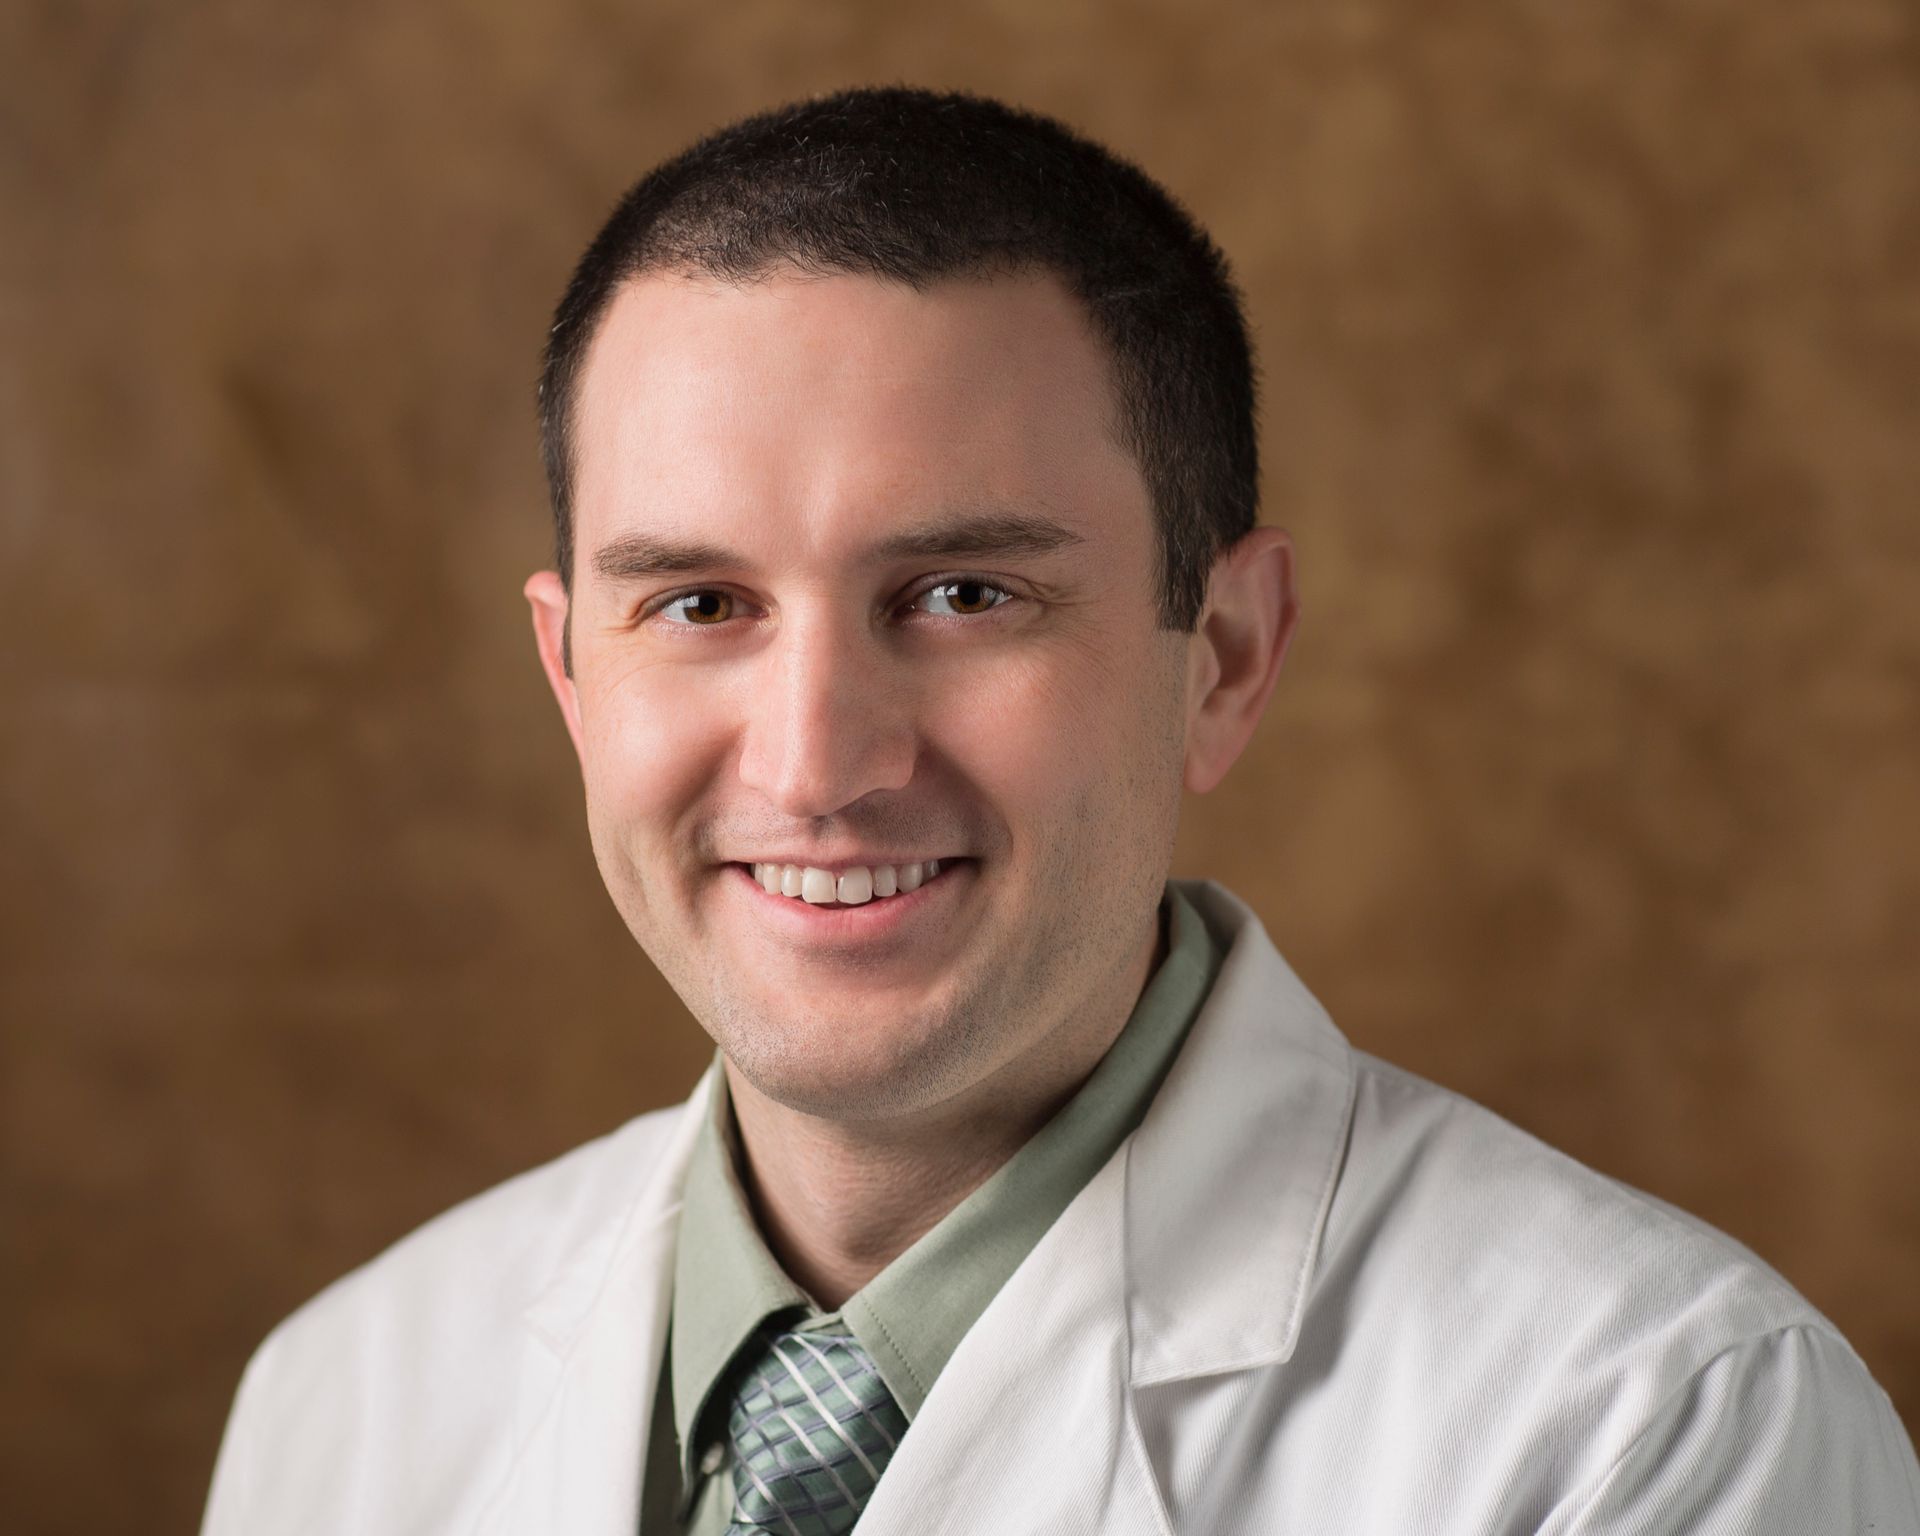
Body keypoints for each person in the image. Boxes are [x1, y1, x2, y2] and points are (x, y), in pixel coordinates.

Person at [200, 86, 1920, 1535]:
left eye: (960, 596)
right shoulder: (344, 1408)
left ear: (1224, 659)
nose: (814, 763)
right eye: (701, 605)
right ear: (573, 676)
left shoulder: (1653, 1436)